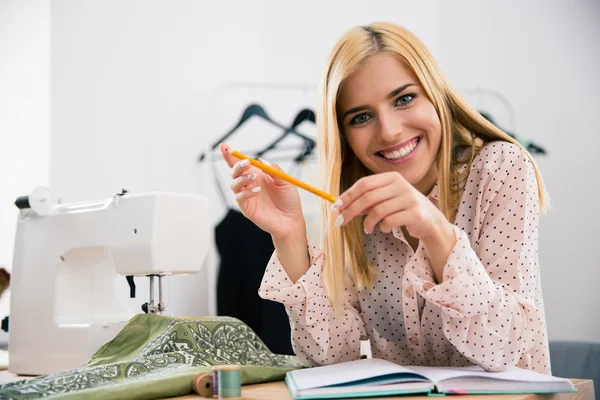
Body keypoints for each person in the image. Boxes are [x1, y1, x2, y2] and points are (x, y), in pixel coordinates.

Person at [219, 21, 551, 374]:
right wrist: (289, 235)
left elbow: (503, 346)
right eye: (361, 117)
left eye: (404, 99)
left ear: (435, 94)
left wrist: (436, 232)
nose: (390, 131)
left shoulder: (499, 167)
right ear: (344, 135)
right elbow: (330, 358)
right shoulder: (354, 202)